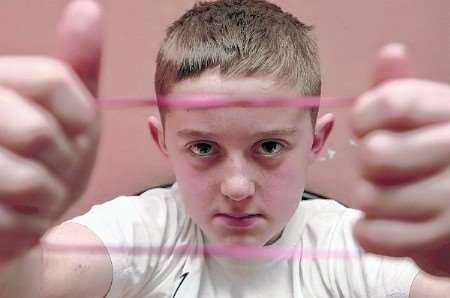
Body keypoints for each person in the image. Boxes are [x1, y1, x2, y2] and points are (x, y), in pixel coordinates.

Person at [0, 0, 449, 297]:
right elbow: (38, 282)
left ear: (315, 141)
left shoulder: (348, 243)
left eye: (269, 146)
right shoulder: (149, 228)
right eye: (203, 148)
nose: (236, 187)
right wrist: (11, 246)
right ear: (163, 142)